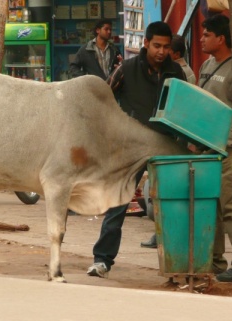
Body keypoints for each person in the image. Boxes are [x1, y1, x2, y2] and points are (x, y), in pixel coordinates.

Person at [87, 21, 186, 278]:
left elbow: (185, 108)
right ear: (145, 43)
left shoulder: (176, 72)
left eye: (166, 47)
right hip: (130, 146)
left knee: (173, 202)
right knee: (119, 202)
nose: (161, 52)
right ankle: (102, 260)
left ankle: (180, 263)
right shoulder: (127, 70)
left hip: (166, 145)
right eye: (156, 46)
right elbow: (103, 99)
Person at [197, 14, 232, 282]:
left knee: (231, 207)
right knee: (212, 208)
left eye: (206, 35)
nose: (202, 39)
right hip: (205, 148)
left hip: (227, 149)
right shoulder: (206, 66)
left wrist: (227, 146)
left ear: (221, 38)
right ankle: (215, 261)